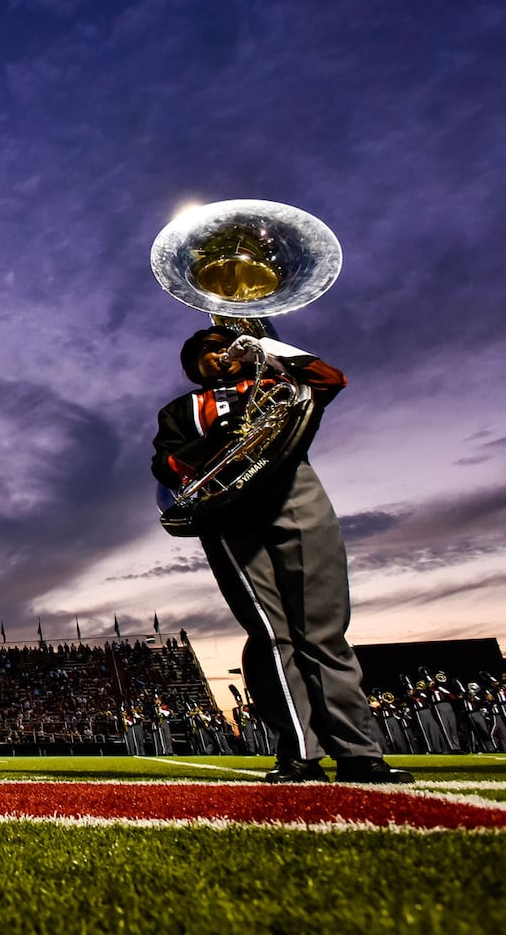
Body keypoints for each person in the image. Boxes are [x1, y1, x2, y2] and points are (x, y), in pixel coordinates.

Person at [151, 327, 411, 784]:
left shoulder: (276, 383)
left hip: (295, 494)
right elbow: (166, 465)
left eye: (229, 346)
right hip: (227, 510)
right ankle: (299, 753)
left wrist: (267, 348)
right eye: (211, 351)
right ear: (193, 364)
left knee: (323, 630)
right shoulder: (180, 409)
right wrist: (216, 439)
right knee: (271, 634)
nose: (223, 354)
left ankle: (359, 752)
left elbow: (330, 380)